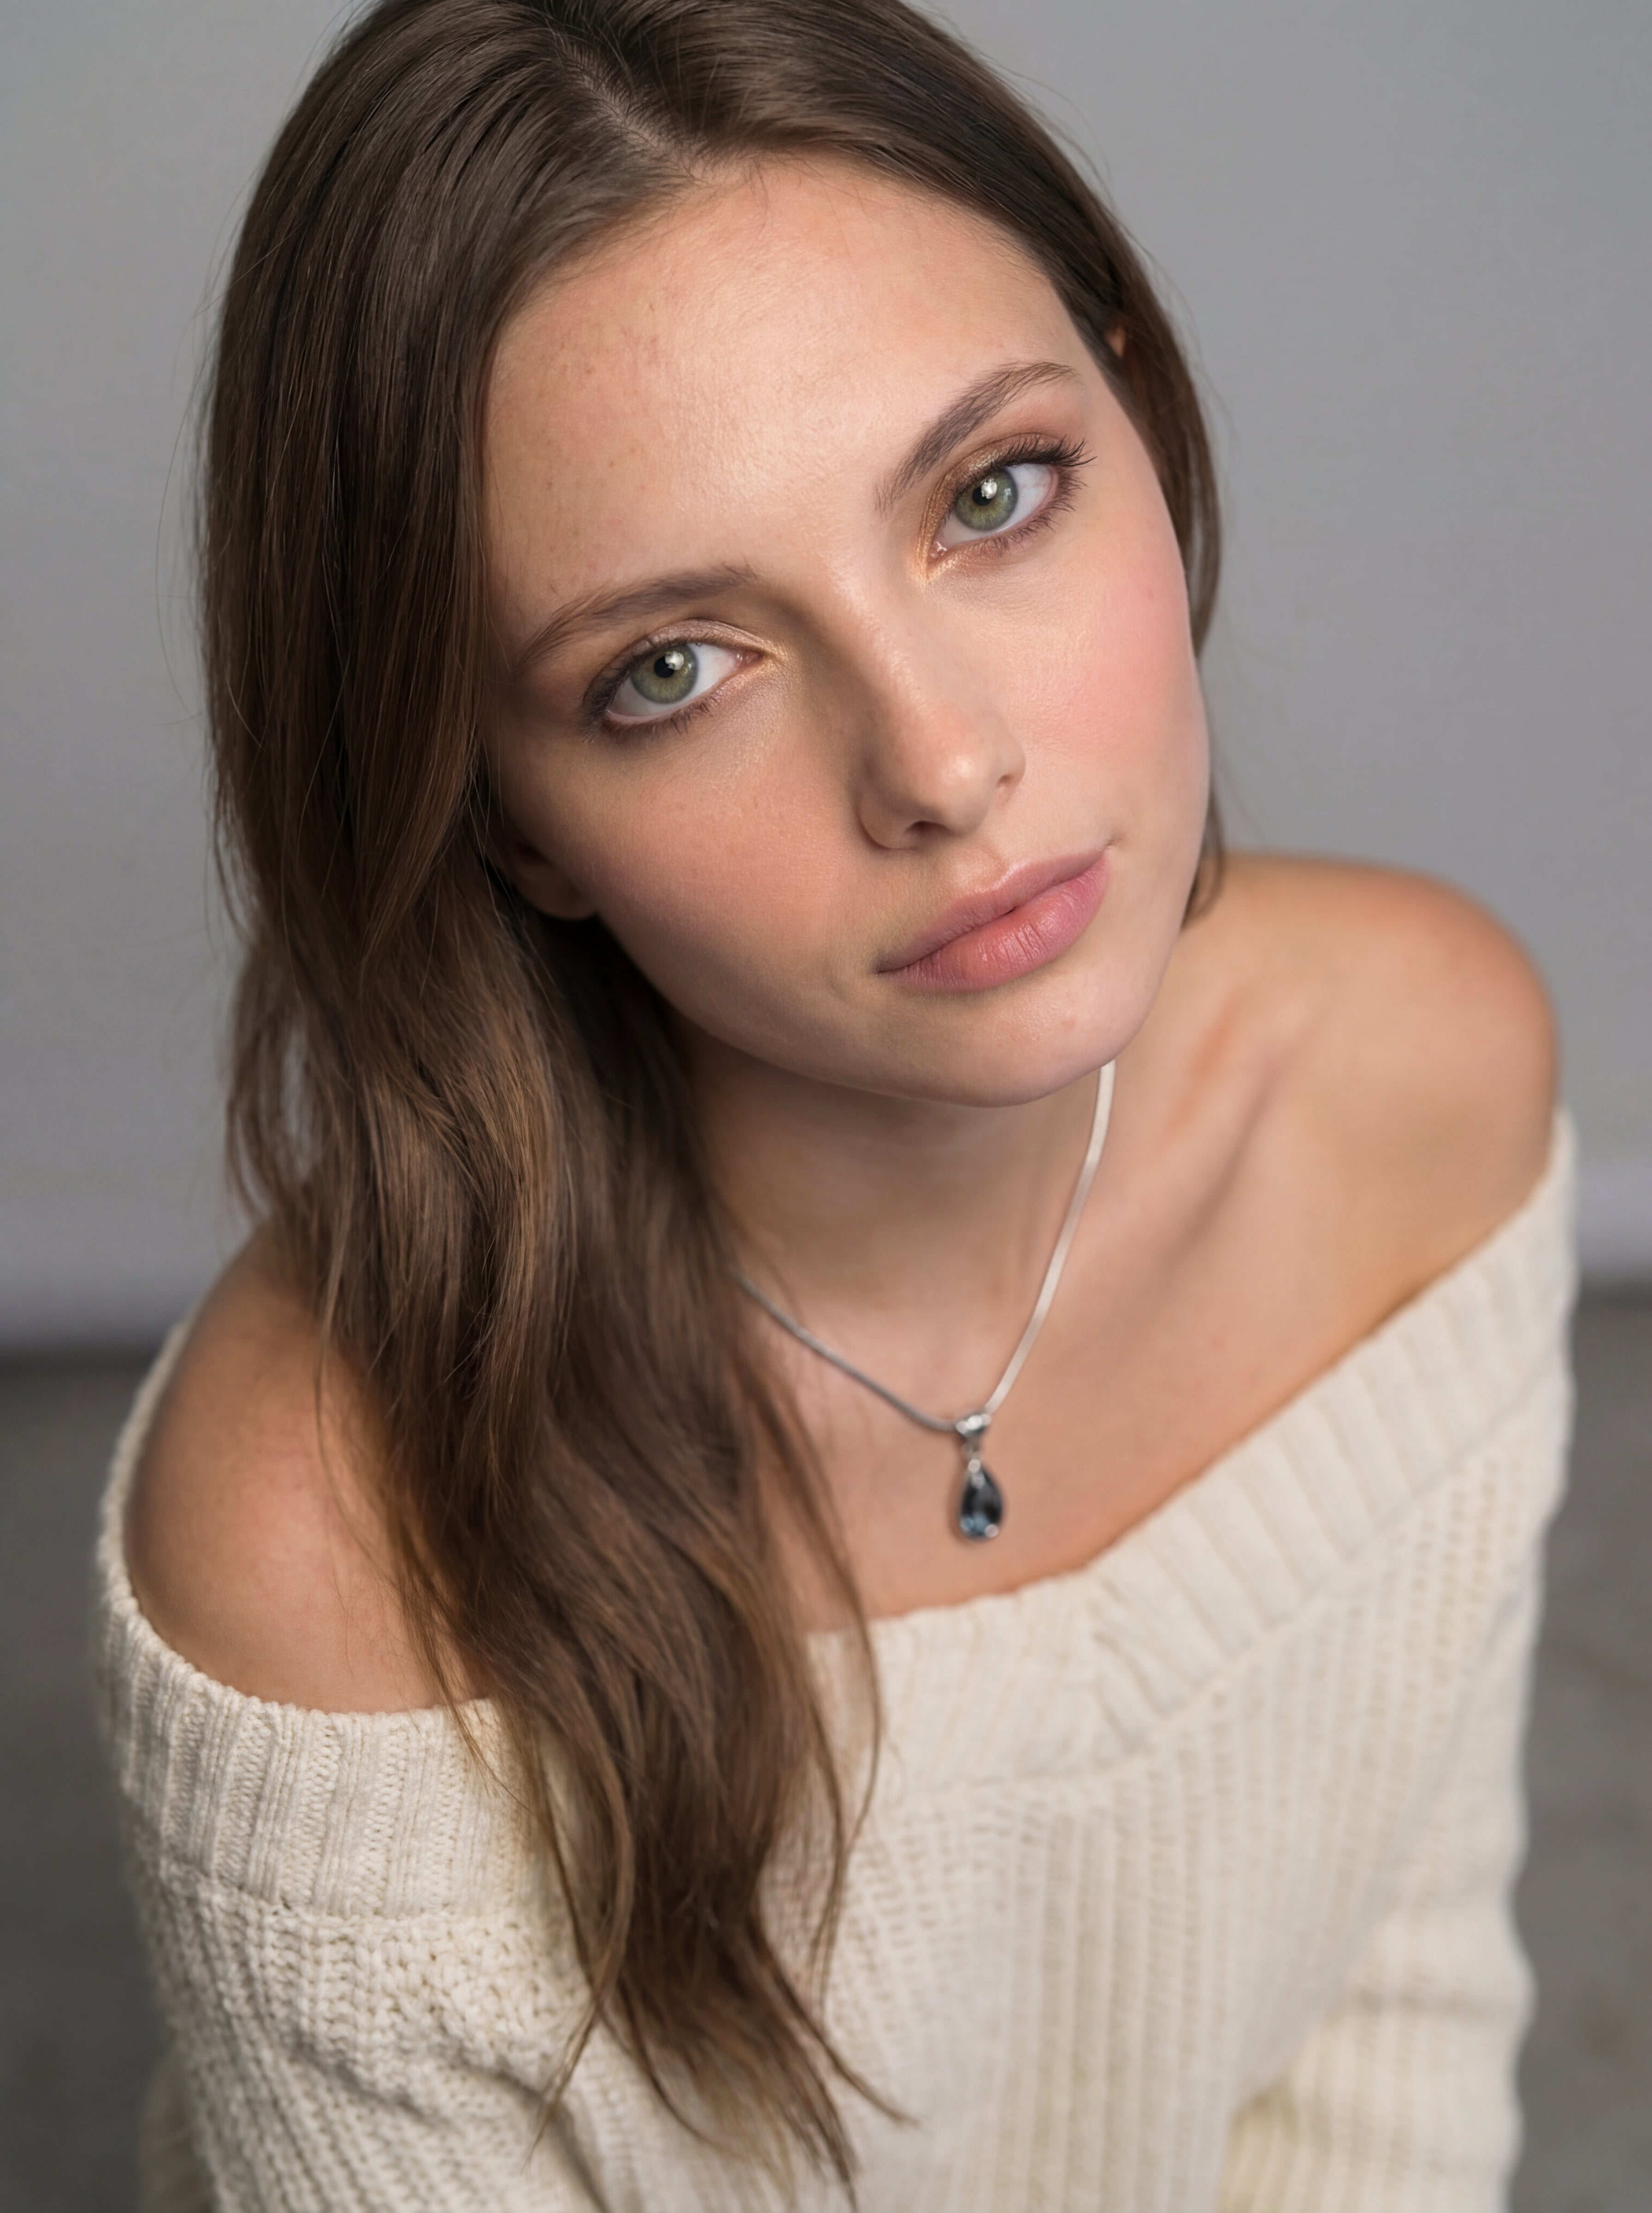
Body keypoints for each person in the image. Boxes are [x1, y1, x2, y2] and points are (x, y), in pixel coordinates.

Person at [95, 0, 1571, 2205]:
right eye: (667, 670)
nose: (941, 765)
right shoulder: (324, 1539)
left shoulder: (1410, 1091)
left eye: (991, 495)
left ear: (1140, 420)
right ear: (504, 823)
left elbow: (1384, 2041)